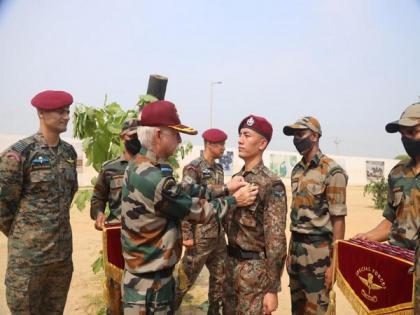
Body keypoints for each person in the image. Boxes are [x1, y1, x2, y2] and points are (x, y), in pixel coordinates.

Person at [120, 100, 258, 314]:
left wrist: (225, 189)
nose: (179, 140)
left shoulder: (140, 166)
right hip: (149, 290)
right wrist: (234, 201)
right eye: (175, 134)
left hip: (145, 281)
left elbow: (184, 191)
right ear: (158, 134)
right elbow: (197, 210)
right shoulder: (154, 179)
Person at [0, 90, 78, 314]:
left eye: (67, 111)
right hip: (28, 262)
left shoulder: (68, 153)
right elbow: (3, 207)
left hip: (61, 259)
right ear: (42, 113)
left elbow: (67, 196)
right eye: (60, 112)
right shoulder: (19, 155)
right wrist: (27, 235)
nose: (66, 116)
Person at [223, 115, 288, 315]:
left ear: (262, 143)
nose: (240, 140)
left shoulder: (271, 184)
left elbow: (275, 240)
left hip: (255, 275)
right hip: (231, 267)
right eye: (240, 134)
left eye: (247, 135)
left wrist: (272, 288)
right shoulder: (236, 180)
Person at [283, 116, 347, 315]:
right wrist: (289, 252)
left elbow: (338, 219)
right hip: (296, 251)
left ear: (315, 136)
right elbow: (297, 216)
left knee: (318, 310)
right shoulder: (297, 170)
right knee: (298, 309)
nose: (296, 139)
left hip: (319, 254)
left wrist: (334, 263)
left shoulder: (332, 170)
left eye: (300, 134)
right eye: (294, 135)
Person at [175, 128, 229, 314]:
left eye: (223, 144)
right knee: (183, 281)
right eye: (220, 144)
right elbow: (185, 199)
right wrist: (187, 234)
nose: (223, 148)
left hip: (218, 235)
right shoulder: (194, 168)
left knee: (221, 281)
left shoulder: (219, 169)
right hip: (200, 237)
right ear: (209, 145)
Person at [90, 118, 139, 315]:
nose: (136, 140)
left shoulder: (154, 167)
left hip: (143, 237)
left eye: (139, 136)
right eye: (132, 136)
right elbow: (98, 198)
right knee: (116, 291)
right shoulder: (110, 168)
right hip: (116, 235)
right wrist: (99, 214)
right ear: (122, 138)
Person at [355, 102, 420, 250]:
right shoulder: (398, 173)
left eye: (412, 132)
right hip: (399, 260)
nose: (406, 138)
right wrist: (367, 237)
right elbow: (391, 222)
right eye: (403, 134)